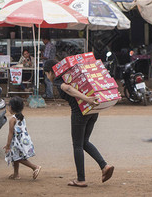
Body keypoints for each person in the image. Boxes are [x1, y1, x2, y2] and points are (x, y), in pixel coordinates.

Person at [43, 59, 114, 188]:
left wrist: (86, 99)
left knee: (77, 145)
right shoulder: (72, 74)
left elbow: (68, 88)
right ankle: (104, 166)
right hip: (93, 110)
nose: (48, 77)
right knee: (84, 141)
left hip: (80, 112)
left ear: (50, 72)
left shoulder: (60, 79)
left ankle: (81, 179)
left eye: (47, 74)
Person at [3, 96, 41, 180]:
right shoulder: (21, 116)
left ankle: (35, 167)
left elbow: (10, 133)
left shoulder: (12, 119)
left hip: (17, 141)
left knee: (18, 157)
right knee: (15, 156)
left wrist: (8, 145)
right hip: (24, 140)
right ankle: (16, 174)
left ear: (11, 107)